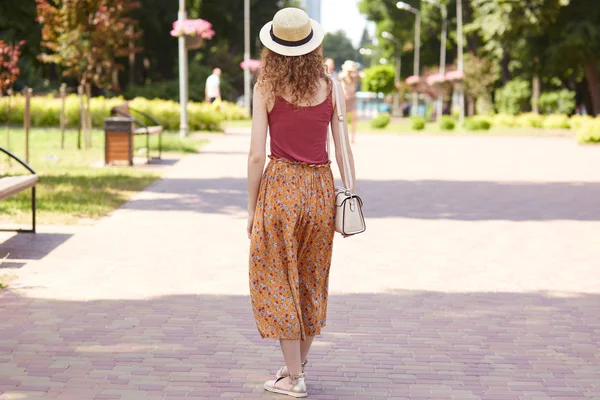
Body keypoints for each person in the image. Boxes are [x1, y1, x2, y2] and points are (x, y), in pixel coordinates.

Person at [247, 7, 356, 398]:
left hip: (280, 187)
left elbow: (257, 155)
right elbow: (343, 148)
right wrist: (352, 194)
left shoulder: (265, 87)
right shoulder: (332, 87)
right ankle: (296, 368)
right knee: (311, 279)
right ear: (312, 46)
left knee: (276, 278)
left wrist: (251, 208)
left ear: (273, 48)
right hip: (321, 189)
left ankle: (294, 379)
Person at [338, 60, 360, 144]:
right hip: (344, 99)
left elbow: (362, 75)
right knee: (342, 119)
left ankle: (353, 138)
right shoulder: (342, 76)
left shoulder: (355, 76)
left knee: (354, 118)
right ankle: (342, 136)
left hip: (352, 98)